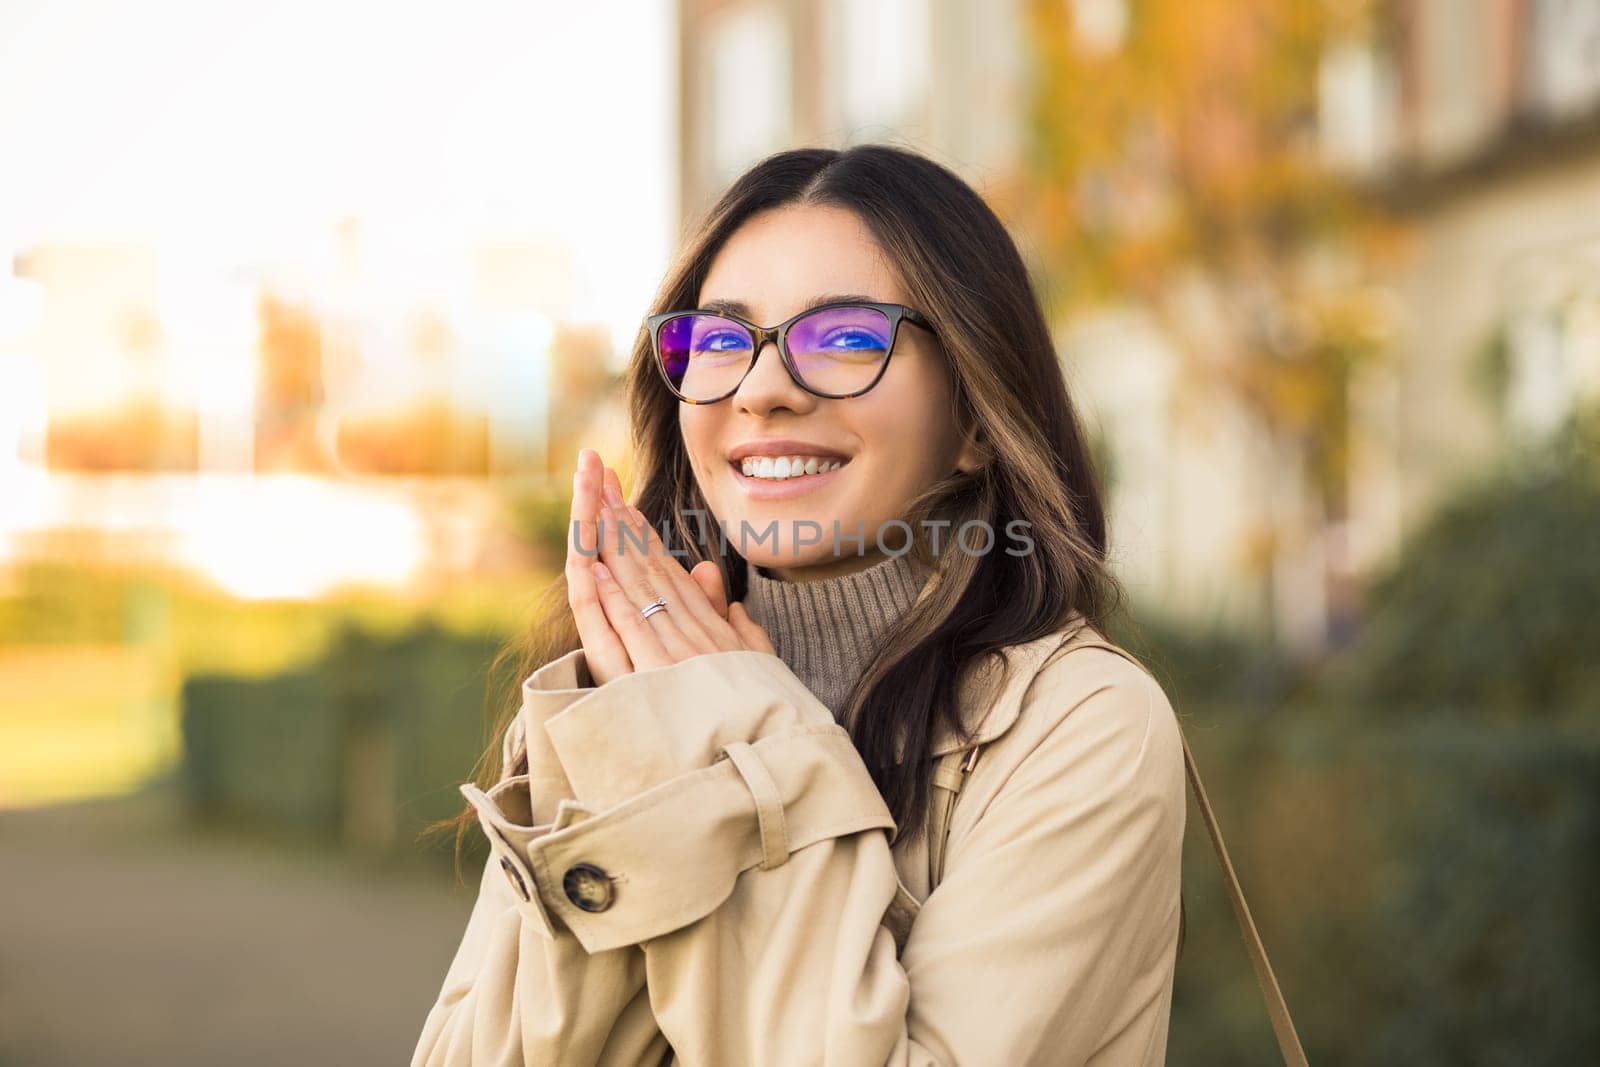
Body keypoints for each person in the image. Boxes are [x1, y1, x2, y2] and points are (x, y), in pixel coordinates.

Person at [411, 144, 1187, 1066]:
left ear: (977, 418)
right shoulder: (611, 707)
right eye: (721, 341)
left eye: (848, 337)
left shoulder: (1082, 726)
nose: (764, 388)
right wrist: (640, 754)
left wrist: (743, 738)